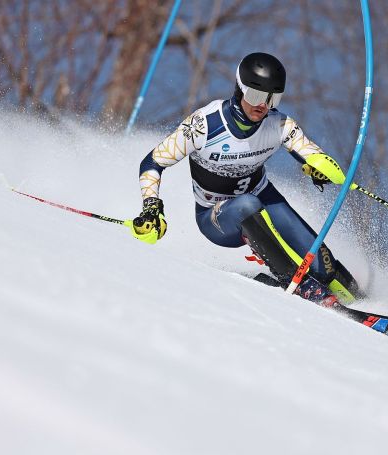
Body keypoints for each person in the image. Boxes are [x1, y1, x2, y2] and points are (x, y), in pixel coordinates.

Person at [130, 52, 362, 304]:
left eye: (273, 98)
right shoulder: (203, 125)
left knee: (322, 264)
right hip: (216, 216)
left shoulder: (280, 125)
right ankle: (296, 283)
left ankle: (363, 301)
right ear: (239, 89)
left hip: (264, 197)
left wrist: (318, 169)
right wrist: (152, 206)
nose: (263, 105)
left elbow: (314, 156)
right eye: (256, 95)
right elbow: (152, 162)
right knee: (246, 205)